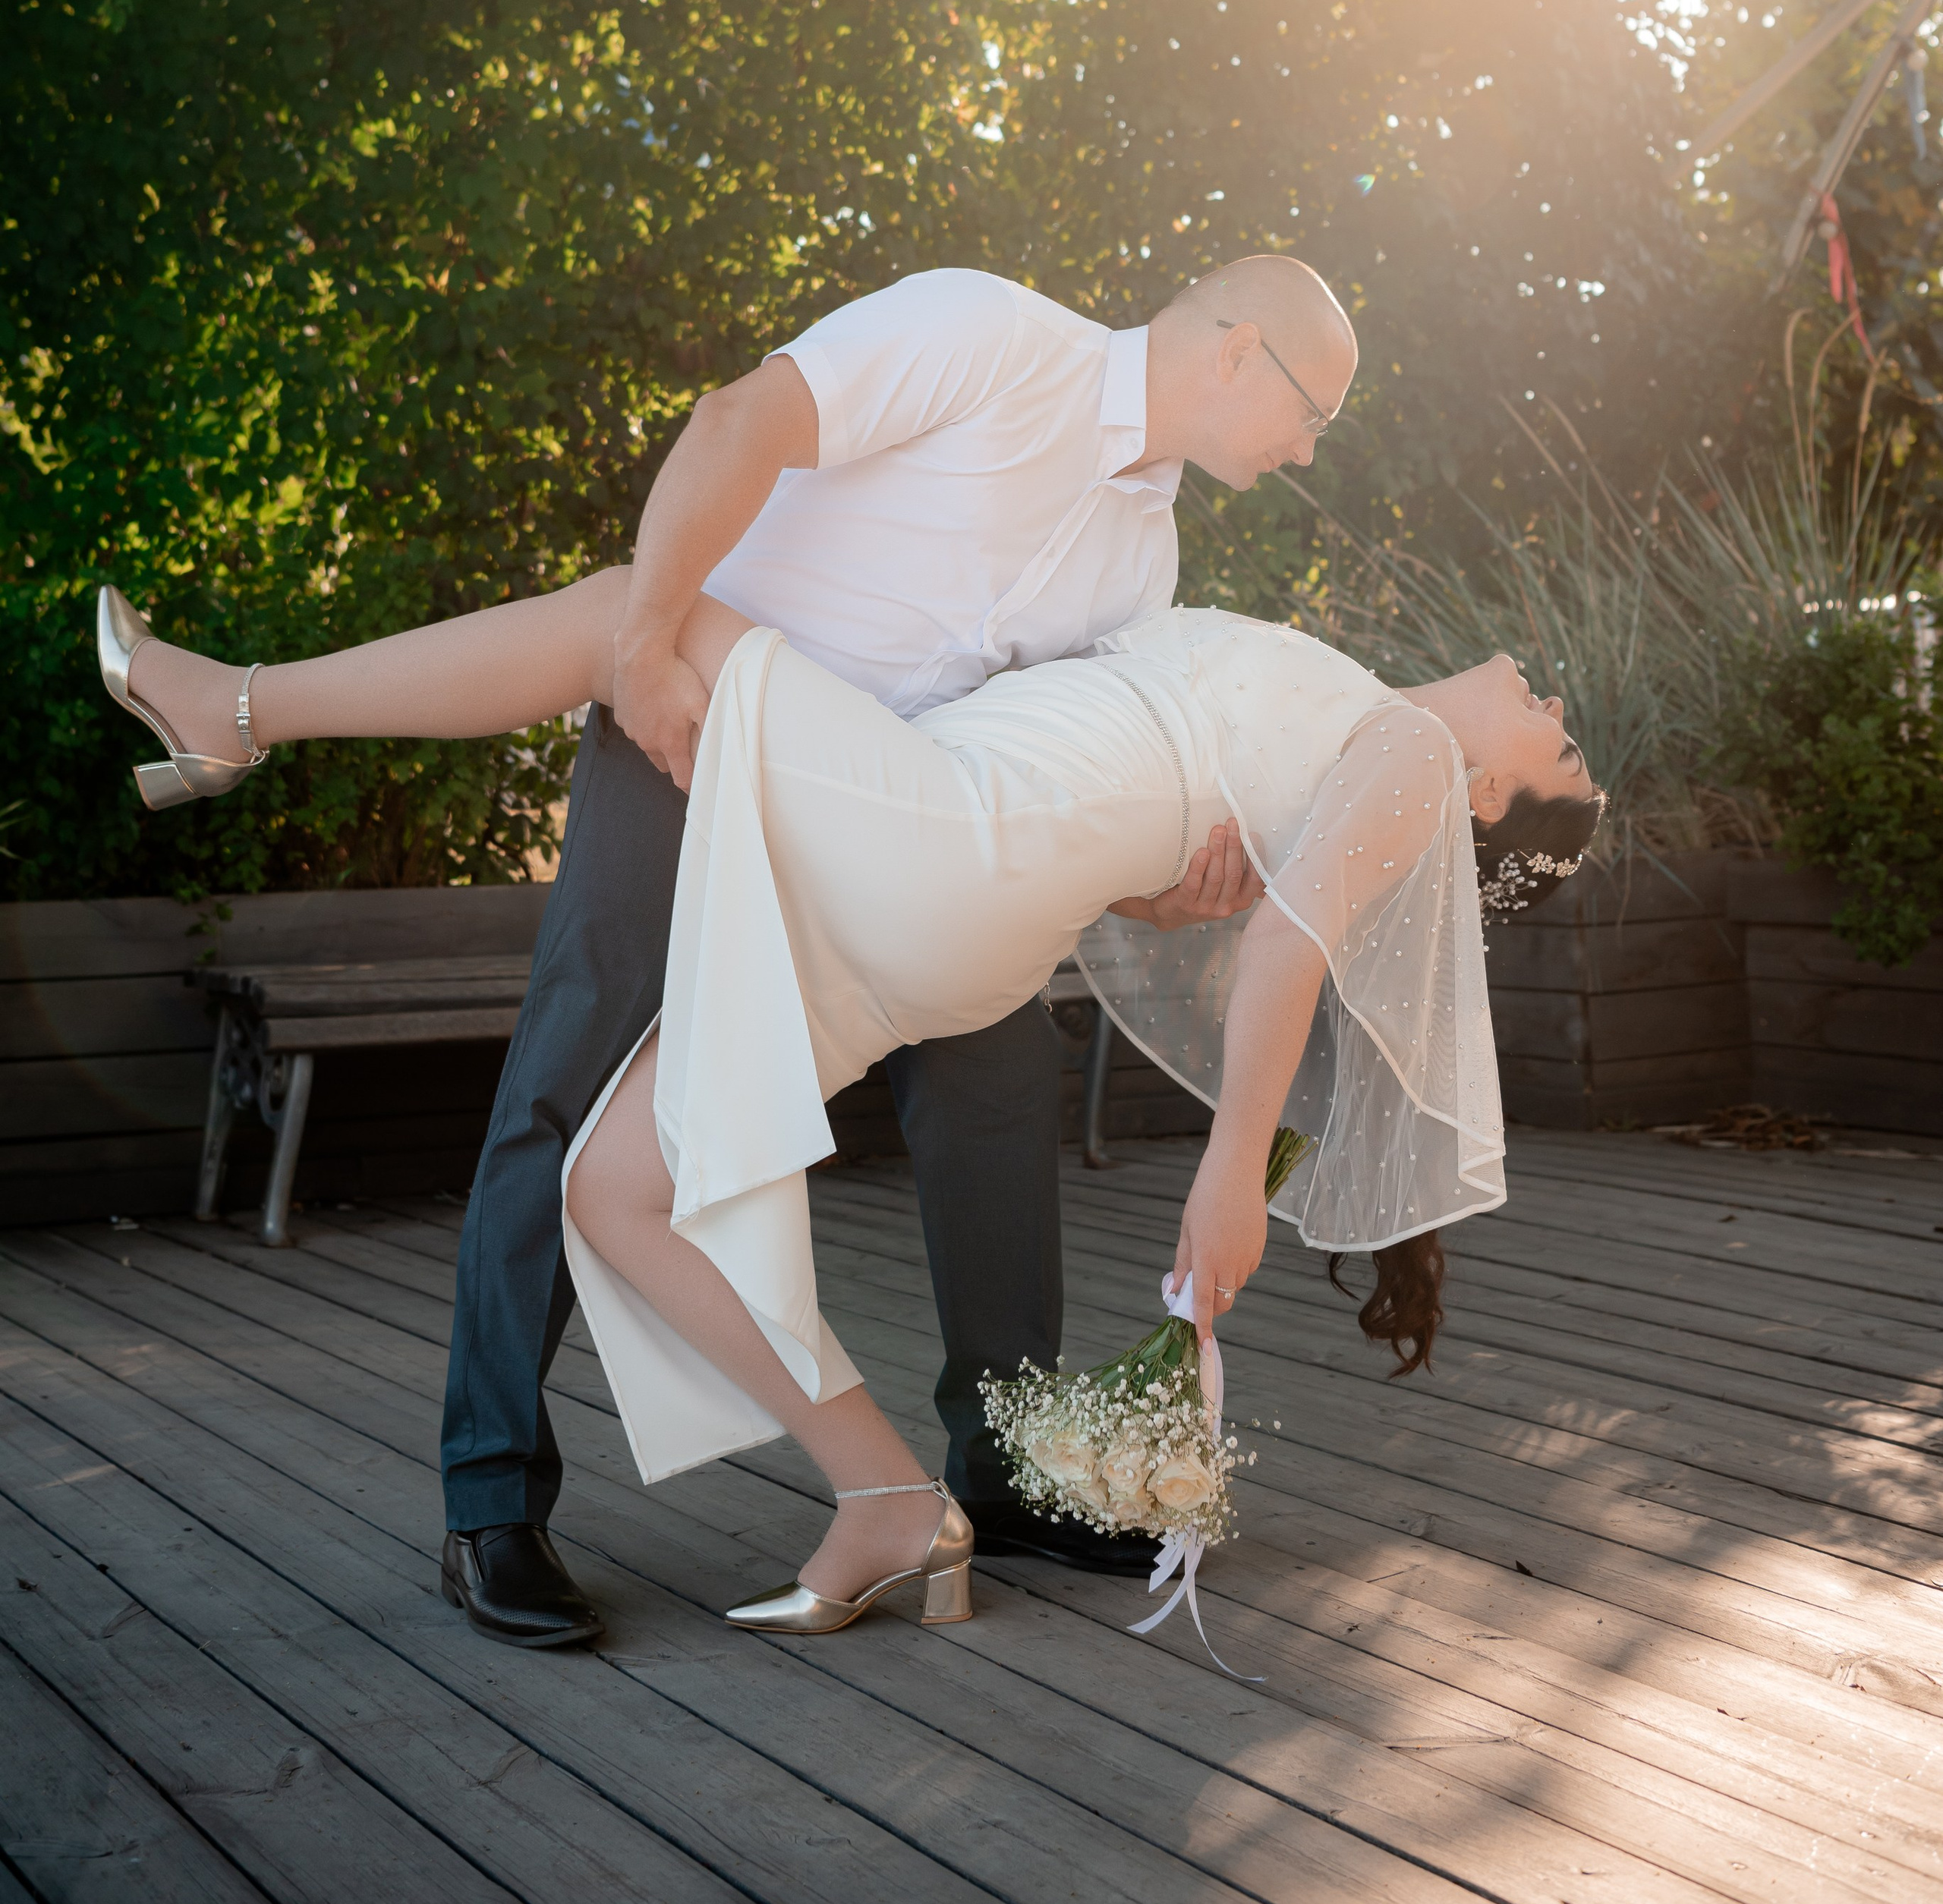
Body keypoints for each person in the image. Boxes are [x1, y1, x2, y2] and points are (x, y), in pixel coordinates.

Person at [100, 257, 1364, 1643]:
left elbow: (1037, 785)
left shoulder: (1147, 559)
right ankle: (491, 1505)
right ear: (1238, 350)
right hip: (687, 732)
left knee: (1000, 1071)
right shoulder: (992, 334)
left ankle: (1001, 1477)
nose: (1312, 450)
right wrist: (641, 642)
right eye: (1315, 412)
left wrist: (1155, 898)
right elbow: (735, 425)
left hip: (879, 824)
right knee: (569, 1099)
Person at [100, 563, 1603, 1638]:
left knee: (646, 614)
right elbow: (1165, 856)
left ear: (1486, 801)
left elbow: (1284, 944)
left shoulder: (1407, 751)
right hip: (931, 901)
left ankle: (235, 710)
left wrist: (1226, 1173)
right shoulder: (1334, 715)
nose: (1547, 699)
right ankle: (882, 1495)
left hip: (941, 843)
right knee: (613, 1192)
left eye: (1556, 742)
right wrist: (1158, 884)